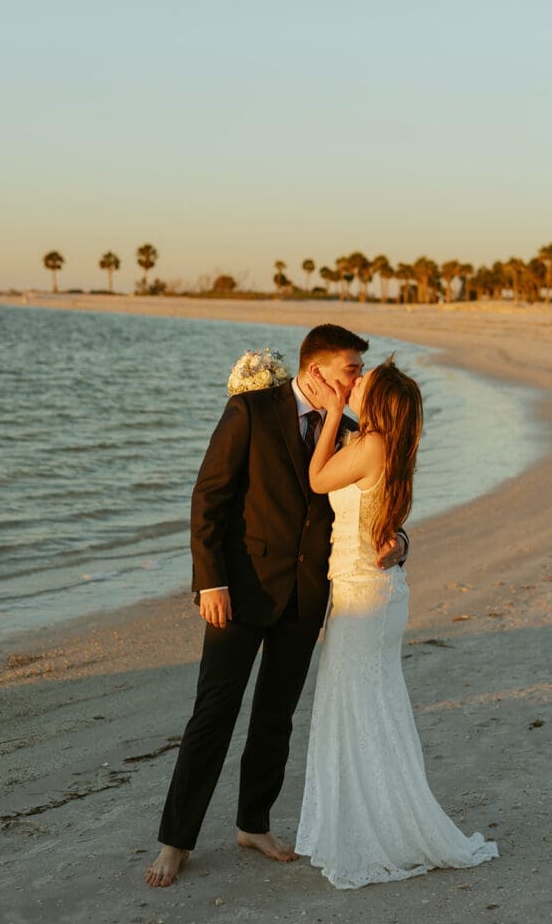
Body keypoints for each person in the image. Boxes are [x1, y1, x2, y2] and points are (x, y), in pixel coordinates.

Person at [145, 325, 407, 887]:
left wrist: (400, 543)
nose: (356, 381)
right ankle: (176, 840)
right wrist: (209, 582)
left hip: (308, 597)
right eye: (350, 371)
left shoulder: (354, 432)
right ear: (315, 371)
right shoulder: (251, 412)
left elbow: (380, 506)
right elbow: (209, 497)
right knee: (213, 715)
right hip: (239, 593)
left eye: (359, 372)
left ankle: (253, 823)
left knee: (275, 716)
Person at [295, 357, 499, 889]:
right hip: (377, 594)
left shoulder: (371, 445)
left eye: (364, 381)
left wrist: (334, 406)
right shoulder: (387, 446)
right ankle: (382, 822)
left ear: (380, 400)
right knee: (372, 709)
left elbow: (317, 479)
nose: (355, 382)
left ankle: (377, 831)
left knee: (357, 710)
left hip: (364, 598)